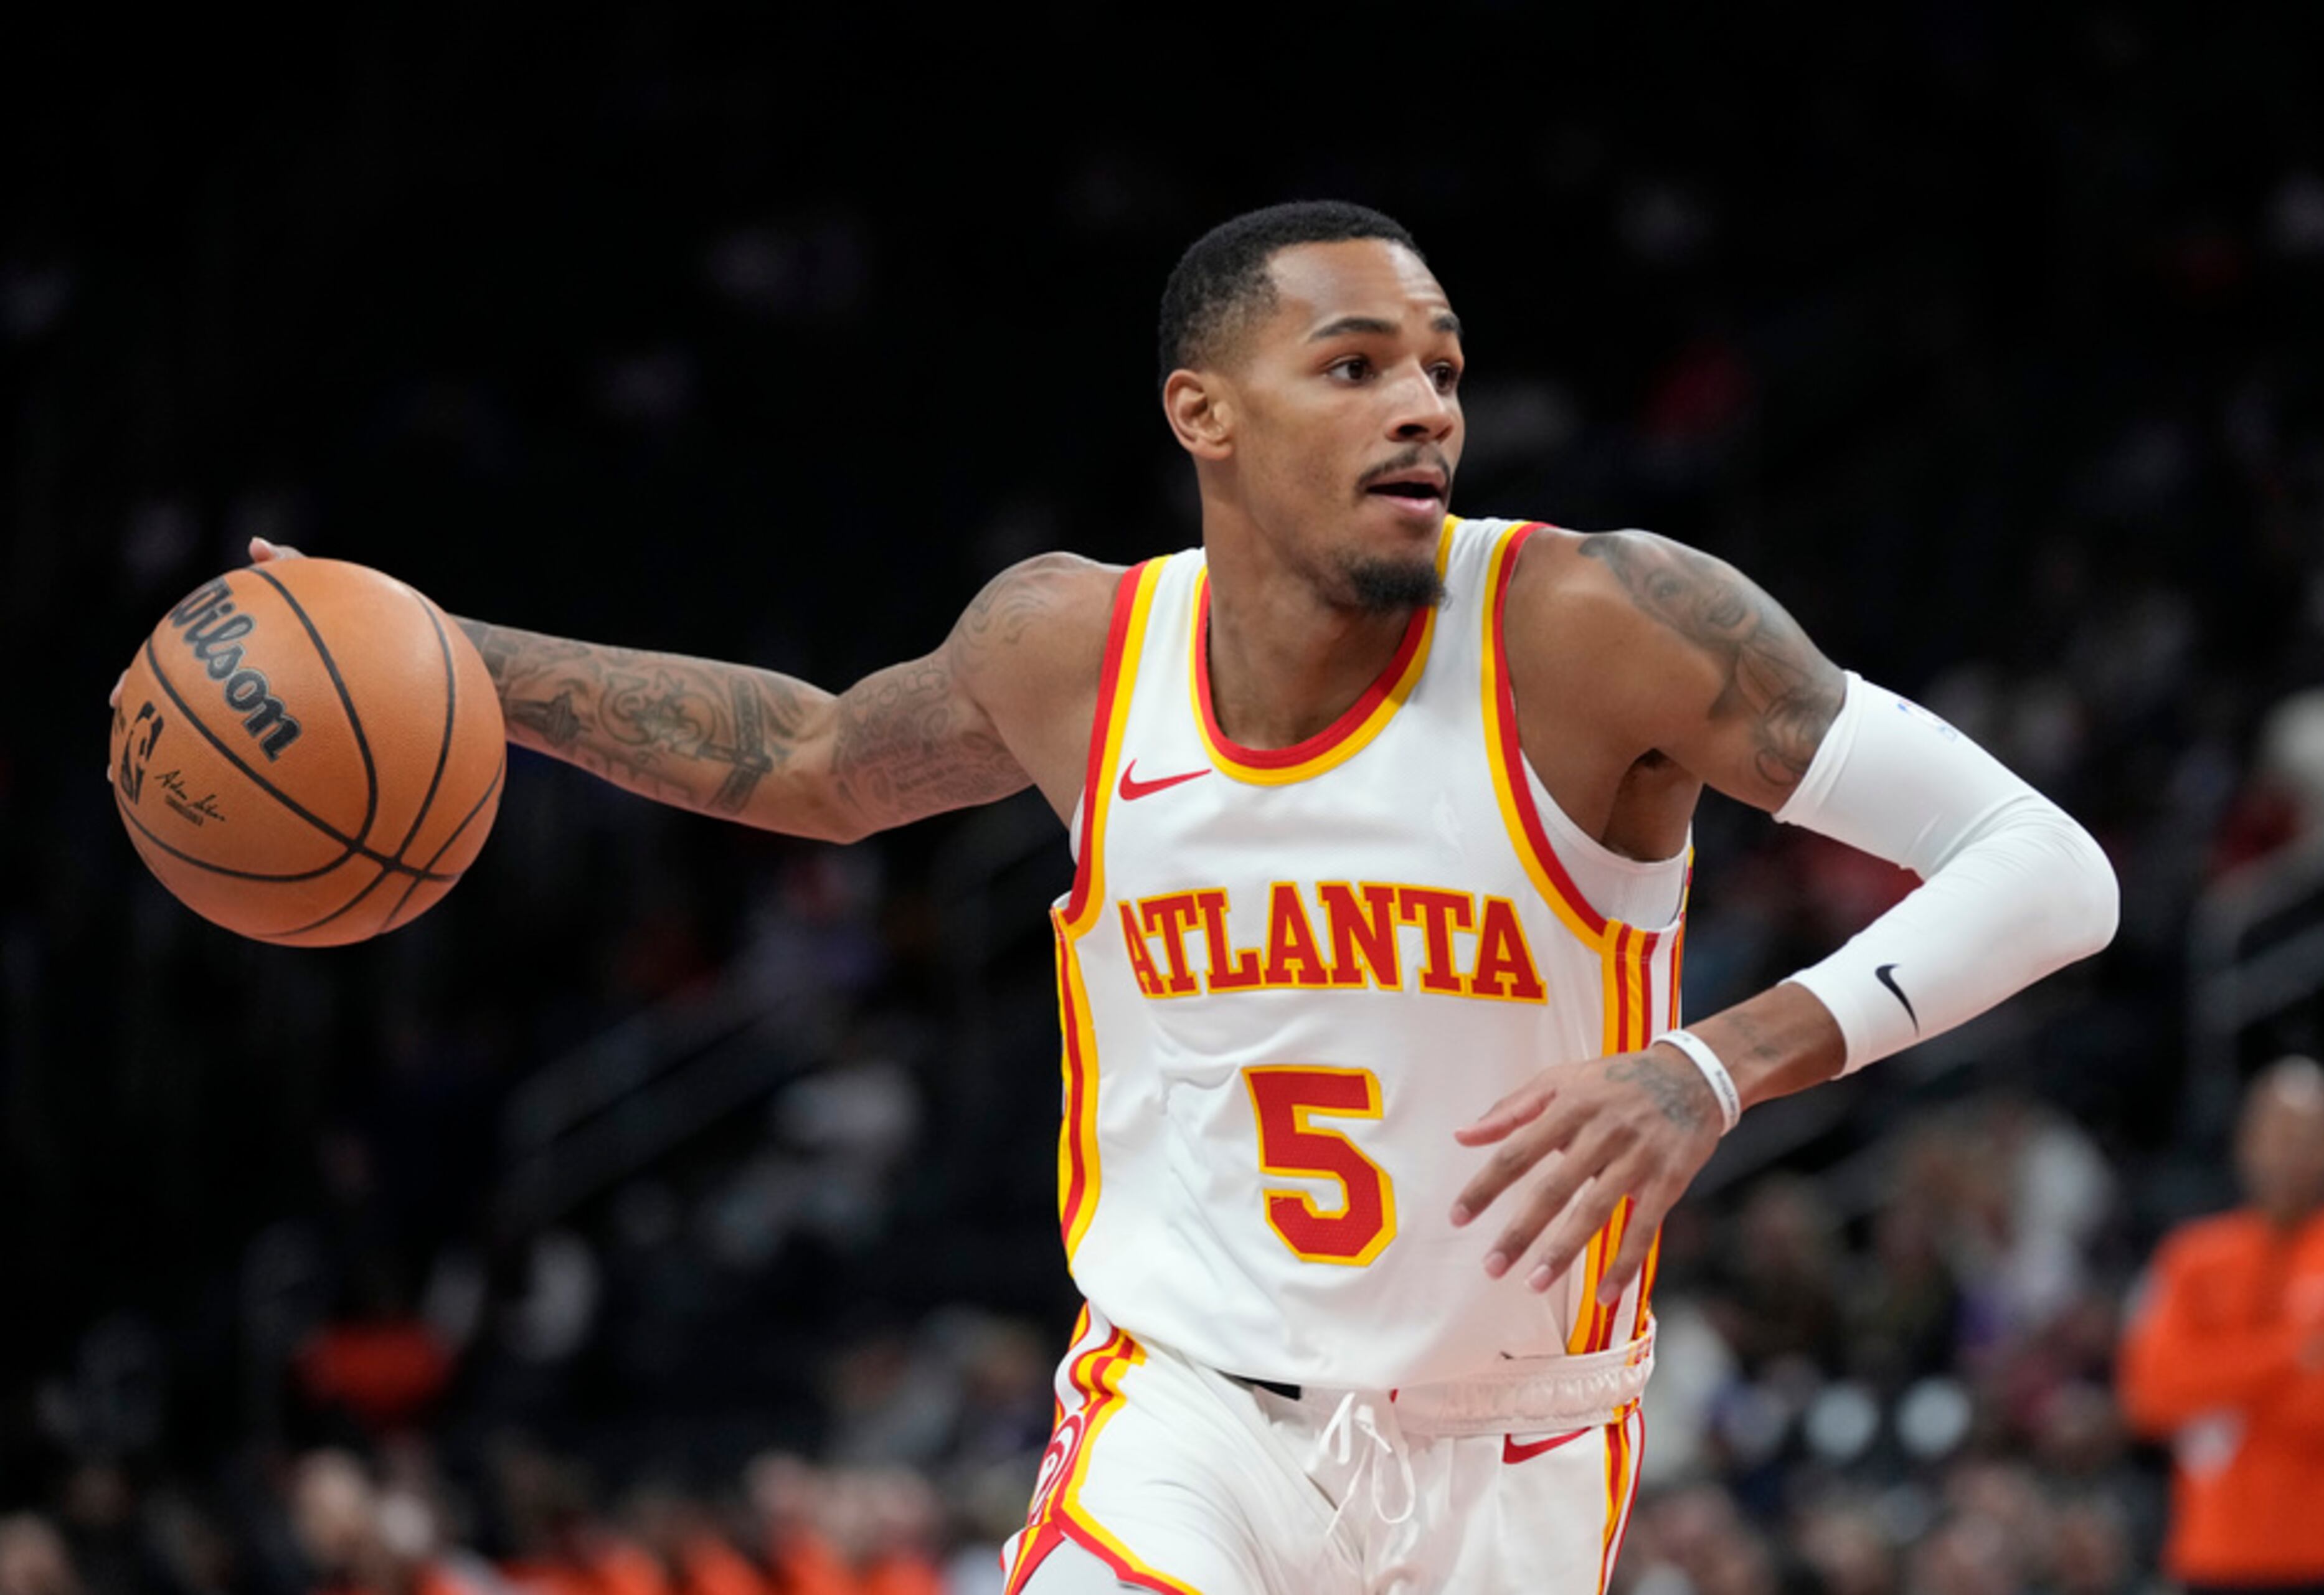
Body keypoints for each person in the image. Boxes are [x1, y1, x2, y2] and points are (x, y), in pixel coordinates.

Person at [192, 202, 2117, 1593]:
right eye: (1351, 364)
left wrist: (1709, 1067)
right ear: (1204, 414)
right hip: (1183, 1407)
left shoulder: (1593, 623)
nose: (1422, 406)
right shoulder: (1072, 648)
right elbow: (804, 757)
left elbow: (2049, 869)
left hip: (1516, 1444)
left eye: (1440, 365)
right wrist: (447, 657)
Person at [2119, 1057, 2324, 1594]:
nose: (2289, 1152)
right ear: (2245, 1141)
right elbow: (2150, 1393)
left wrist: (2221, 1381)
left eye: (2307, 1135)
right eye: (2275, 1132)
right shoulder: (2190, 1259)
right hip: (2216, 1558)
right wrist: (2297, 1354)